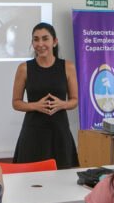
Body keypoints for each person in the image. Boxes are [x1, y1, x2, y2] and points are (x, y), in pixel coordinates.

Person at [12, 22, 79, 169]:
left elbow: (74, 101)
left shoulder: (68, 66)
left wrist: (62, 104)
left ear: (54, 42)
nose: (40, 44)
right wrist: (35, 106)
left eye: (45, 38)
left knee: (62, 177)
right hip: (32, 132)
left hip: (60, 131)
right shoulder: (24, 68)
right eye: (36, 39)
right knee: (29, 177)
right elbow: (16, 102)